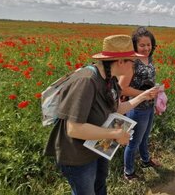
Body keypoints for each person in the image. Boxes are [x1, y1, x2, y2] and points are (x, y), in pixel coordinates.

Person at [44, 34, 158, 195]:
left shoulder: (109, 79)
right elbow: (74, 129)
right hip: (78, 155)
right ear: (120, 61)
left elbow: (117, 109)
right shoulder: (86, 80)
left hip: (98, 147)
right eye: (132, 61)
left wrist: (142, 96)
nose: (134, 65)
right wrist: (116, 133)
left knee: (100, 186)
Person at [119, 27, 160, 181]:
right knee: (133, 141)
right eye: (142, 45)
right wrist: (144, 95)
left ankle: (145, 160)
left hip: (148, 106)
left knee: (145, 137)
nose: (146, 48)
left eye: (149, 44)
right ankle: (128, 172)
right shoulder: (132, 63)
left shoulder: (149, 59)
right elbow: (122, 89)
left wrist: (154, 94)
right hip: (136, 108)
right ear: (135, 45)